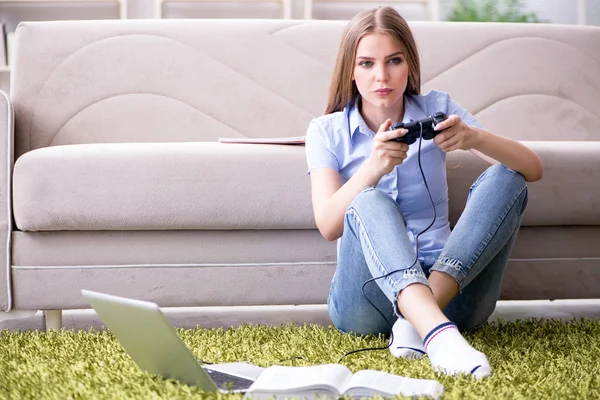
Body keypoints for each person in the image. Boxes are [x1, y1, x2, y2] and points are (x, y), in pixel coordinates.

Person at [304, 6, 543, 379]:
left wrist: (473, 137)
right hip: (366, 301)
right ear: (350, 69)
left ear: (409, 65)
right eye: (366, 63)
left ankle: (419, 324)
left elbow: (533, 169)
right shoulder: (324, 131)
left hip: (452, 291)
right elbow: (328, 225)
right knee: (368, 199)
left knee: (506, 177)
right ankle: (437, 333)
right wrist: (374, 167)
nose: (381, 76)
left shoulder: (438, 108)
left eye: (393, 61)